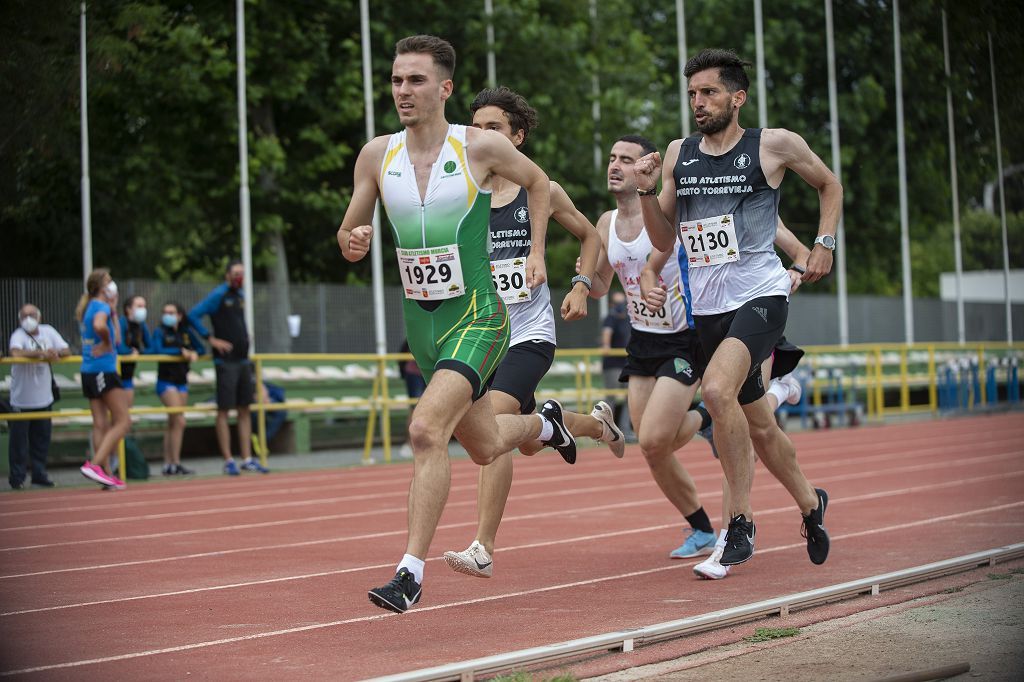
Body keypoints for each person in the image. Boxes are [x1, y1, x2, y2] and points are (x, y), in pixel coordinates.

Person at [338, 35, 578, 613]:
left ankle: (409, 573)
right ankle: (546, 426)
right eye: (396, 80)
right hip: (422, 324)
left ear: (444, 88)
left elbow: (541, 183)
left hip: (478, 315)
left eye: (415, 80)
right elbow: (349, 232)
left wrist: (539, 253)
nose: (403, 91)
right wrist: (354, 240)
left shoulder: (479, 147)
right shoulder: (377, 155)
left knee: (426, 430)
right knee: (487, 443)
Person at [634, 48, 840, 567]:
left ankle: (740, 522)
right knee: (761, 427)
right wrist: (644, 193)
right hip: (708, 308)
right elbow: (663, 236)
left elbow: (830, 184)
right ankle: (810, 502)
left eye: (708, 93)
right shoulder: (680, 153)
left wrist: (824, 244)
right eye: (692, 95)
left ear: (737, 97)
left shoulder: (772, 146)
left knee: (716, 390)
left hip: (761, 295)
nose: (698, 103)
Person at [441, 86, 619, 579]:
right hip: (481, 335)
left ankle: (483, 547)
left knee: (492, 430)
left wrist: (582, 284)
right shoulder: (461, 194)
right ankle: (589, 425)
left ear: (517, 136)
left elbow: (590, 235)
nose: (482, 136)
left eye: (493, 128)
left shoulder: (540, 191)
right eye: (476, 128)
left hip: (528, 333)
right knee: (521, 439)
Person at [583, 134, 718, 561]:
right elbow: (603, 285)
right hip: (643, 338)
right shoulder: (606, 223)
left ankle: (705, 415)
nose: (616, 165)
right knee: (651, 446)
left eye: (627, 159)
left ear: (647, 168)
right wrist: (581, 281)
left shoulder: (663, 214)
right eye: (612, 158)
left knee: (657, 438)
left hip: (684, 336)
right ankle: (701, 528)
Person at [190, 260, 269, 476]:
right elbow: (193, 315)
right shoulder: (218, 295)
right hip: (226, 362)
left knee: (245, 409)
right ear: (227, 275)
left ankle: (247, 458)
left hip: (243, 360)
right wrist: (210, 339)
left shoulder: (241, 296)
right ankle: (228, 460)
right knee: (224, 410)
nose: (239, 277)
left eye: (242, 273)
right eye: (236, 273)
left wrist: (244, 337)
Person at [75, 269, 131, 490]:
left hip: (89, 370)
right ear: (100, 286)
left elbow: (116, 337)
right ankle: (96, 465)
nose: (112, 284)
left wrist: (114, 310)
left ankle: (104, 474)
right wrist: (106, 343)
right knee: (124, 421)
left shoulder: (93, 306)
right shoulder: (100, 307)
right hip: (103, 370)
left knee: (101, 423)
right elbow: (102, 328)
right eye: (108, 281)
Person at [7, 304, 70, 489]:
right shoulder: (18, 335)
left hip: (44, 397)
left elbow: (67, 350)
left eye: (32, 314)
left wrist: (55, 352)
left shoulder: (48, 331)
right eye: (24, 315)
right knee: (18, 441)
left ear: (39, 317)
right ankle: (17, 478)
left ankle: (39, 474)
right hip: (21, 399)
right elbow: (15, 352)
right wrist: (41, 353)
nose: (28, 318)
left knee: (41, 439)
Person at [150, 302, 204, 476]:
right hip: (166, 381)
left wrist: (193, 352)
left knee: (173, 423)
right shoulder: (160, 332)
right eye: (165, 312)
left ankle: (169, 464)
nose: (168, 315)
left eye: (171, 312)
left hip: (182, 381)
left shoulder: (186, 332)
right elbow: (158, 350)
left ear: (180, 315)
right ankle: (175, 462)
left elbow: (201, 348)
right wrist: (180, 351)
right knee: (180, 421)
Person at [600, 291, 633, 440]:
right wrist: (606, 345)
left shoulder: (629, 318)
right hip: (613, 364)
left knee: (629, 399)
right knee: (611, 398)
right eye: (617, 303)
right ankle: (606, 430)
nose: (621, 306)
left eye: (623, 302)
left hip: (627, 363)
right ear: (612, 304)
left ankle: (625, 430)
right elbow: (607, 332)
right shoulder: (611, 318)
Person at [117, 295, 151, 398]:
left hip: (128, 375)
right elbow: (119, 348)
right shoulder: (121, 322)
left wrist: (139, 352)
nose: (143, 309)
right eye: (139, 306)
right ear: (128, 309)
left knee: (127, 410)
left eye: (144, 306)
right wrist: (130, 352)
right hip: (113, 375)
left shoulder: (141, 325)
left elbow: (152, 348)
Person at [397, 339, 425, 459]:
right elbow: (402, 355)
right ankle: (409, 444)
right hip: (415, 374)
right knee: (414, 407)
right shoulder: (414, 332)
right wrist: (403, 373)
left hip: (433, 371)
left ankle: (427, 443)